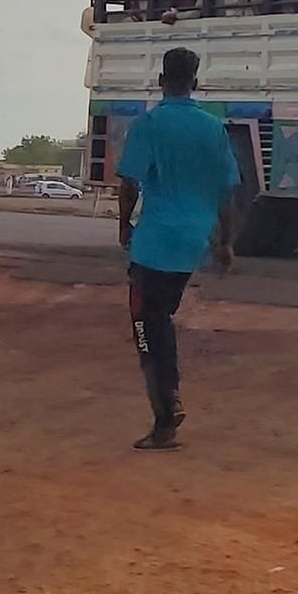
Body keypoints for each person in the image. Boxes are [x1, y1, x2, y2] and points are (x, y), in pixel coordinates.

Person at [115, 47, 240, 451]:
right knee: (161, 317)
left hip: (156, 241)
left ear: (160, 81)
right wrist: (224, 242)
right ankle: (168, 401)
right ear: (196, 83)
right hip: (194, 240)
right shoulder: (213, 128)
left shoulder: (148, 125)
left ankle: (166, 414)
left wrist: (123, 224)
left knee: (146, 328)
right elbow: (227, 192)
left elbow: (129, 184)